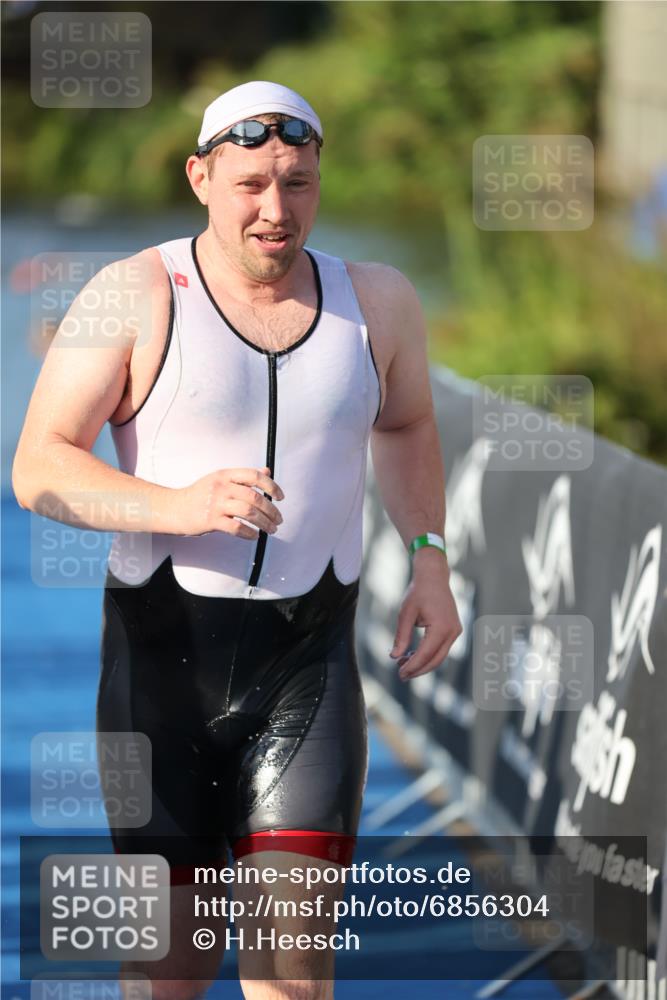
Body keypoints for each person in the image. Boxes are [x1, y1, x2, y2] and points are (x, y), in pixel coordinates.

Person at [12, 81, 462, 1000]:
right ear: (200, 176)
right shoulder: (132, 293)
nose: (274, 208)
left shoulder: (376, 300)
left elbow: (409, 426)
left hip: (306, 670)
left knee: (291, 973)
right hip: (160, 670)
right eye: (251, 181)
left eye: (296, 182)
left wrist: (428, 558)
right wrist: (174, 504)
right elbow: (38, 467)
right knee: (171, 968)